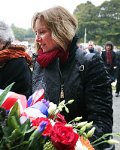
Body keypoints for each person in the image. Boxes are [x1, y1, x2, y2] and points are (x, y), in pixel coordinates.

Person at [31, 6, 114, 149]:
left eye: (42, 32)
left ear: (61, 31)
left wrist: (73, 145)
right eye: (36, 33)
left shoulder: (89, 63)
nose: (37, 39)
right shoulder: (39, 64)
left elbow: (101, 122)